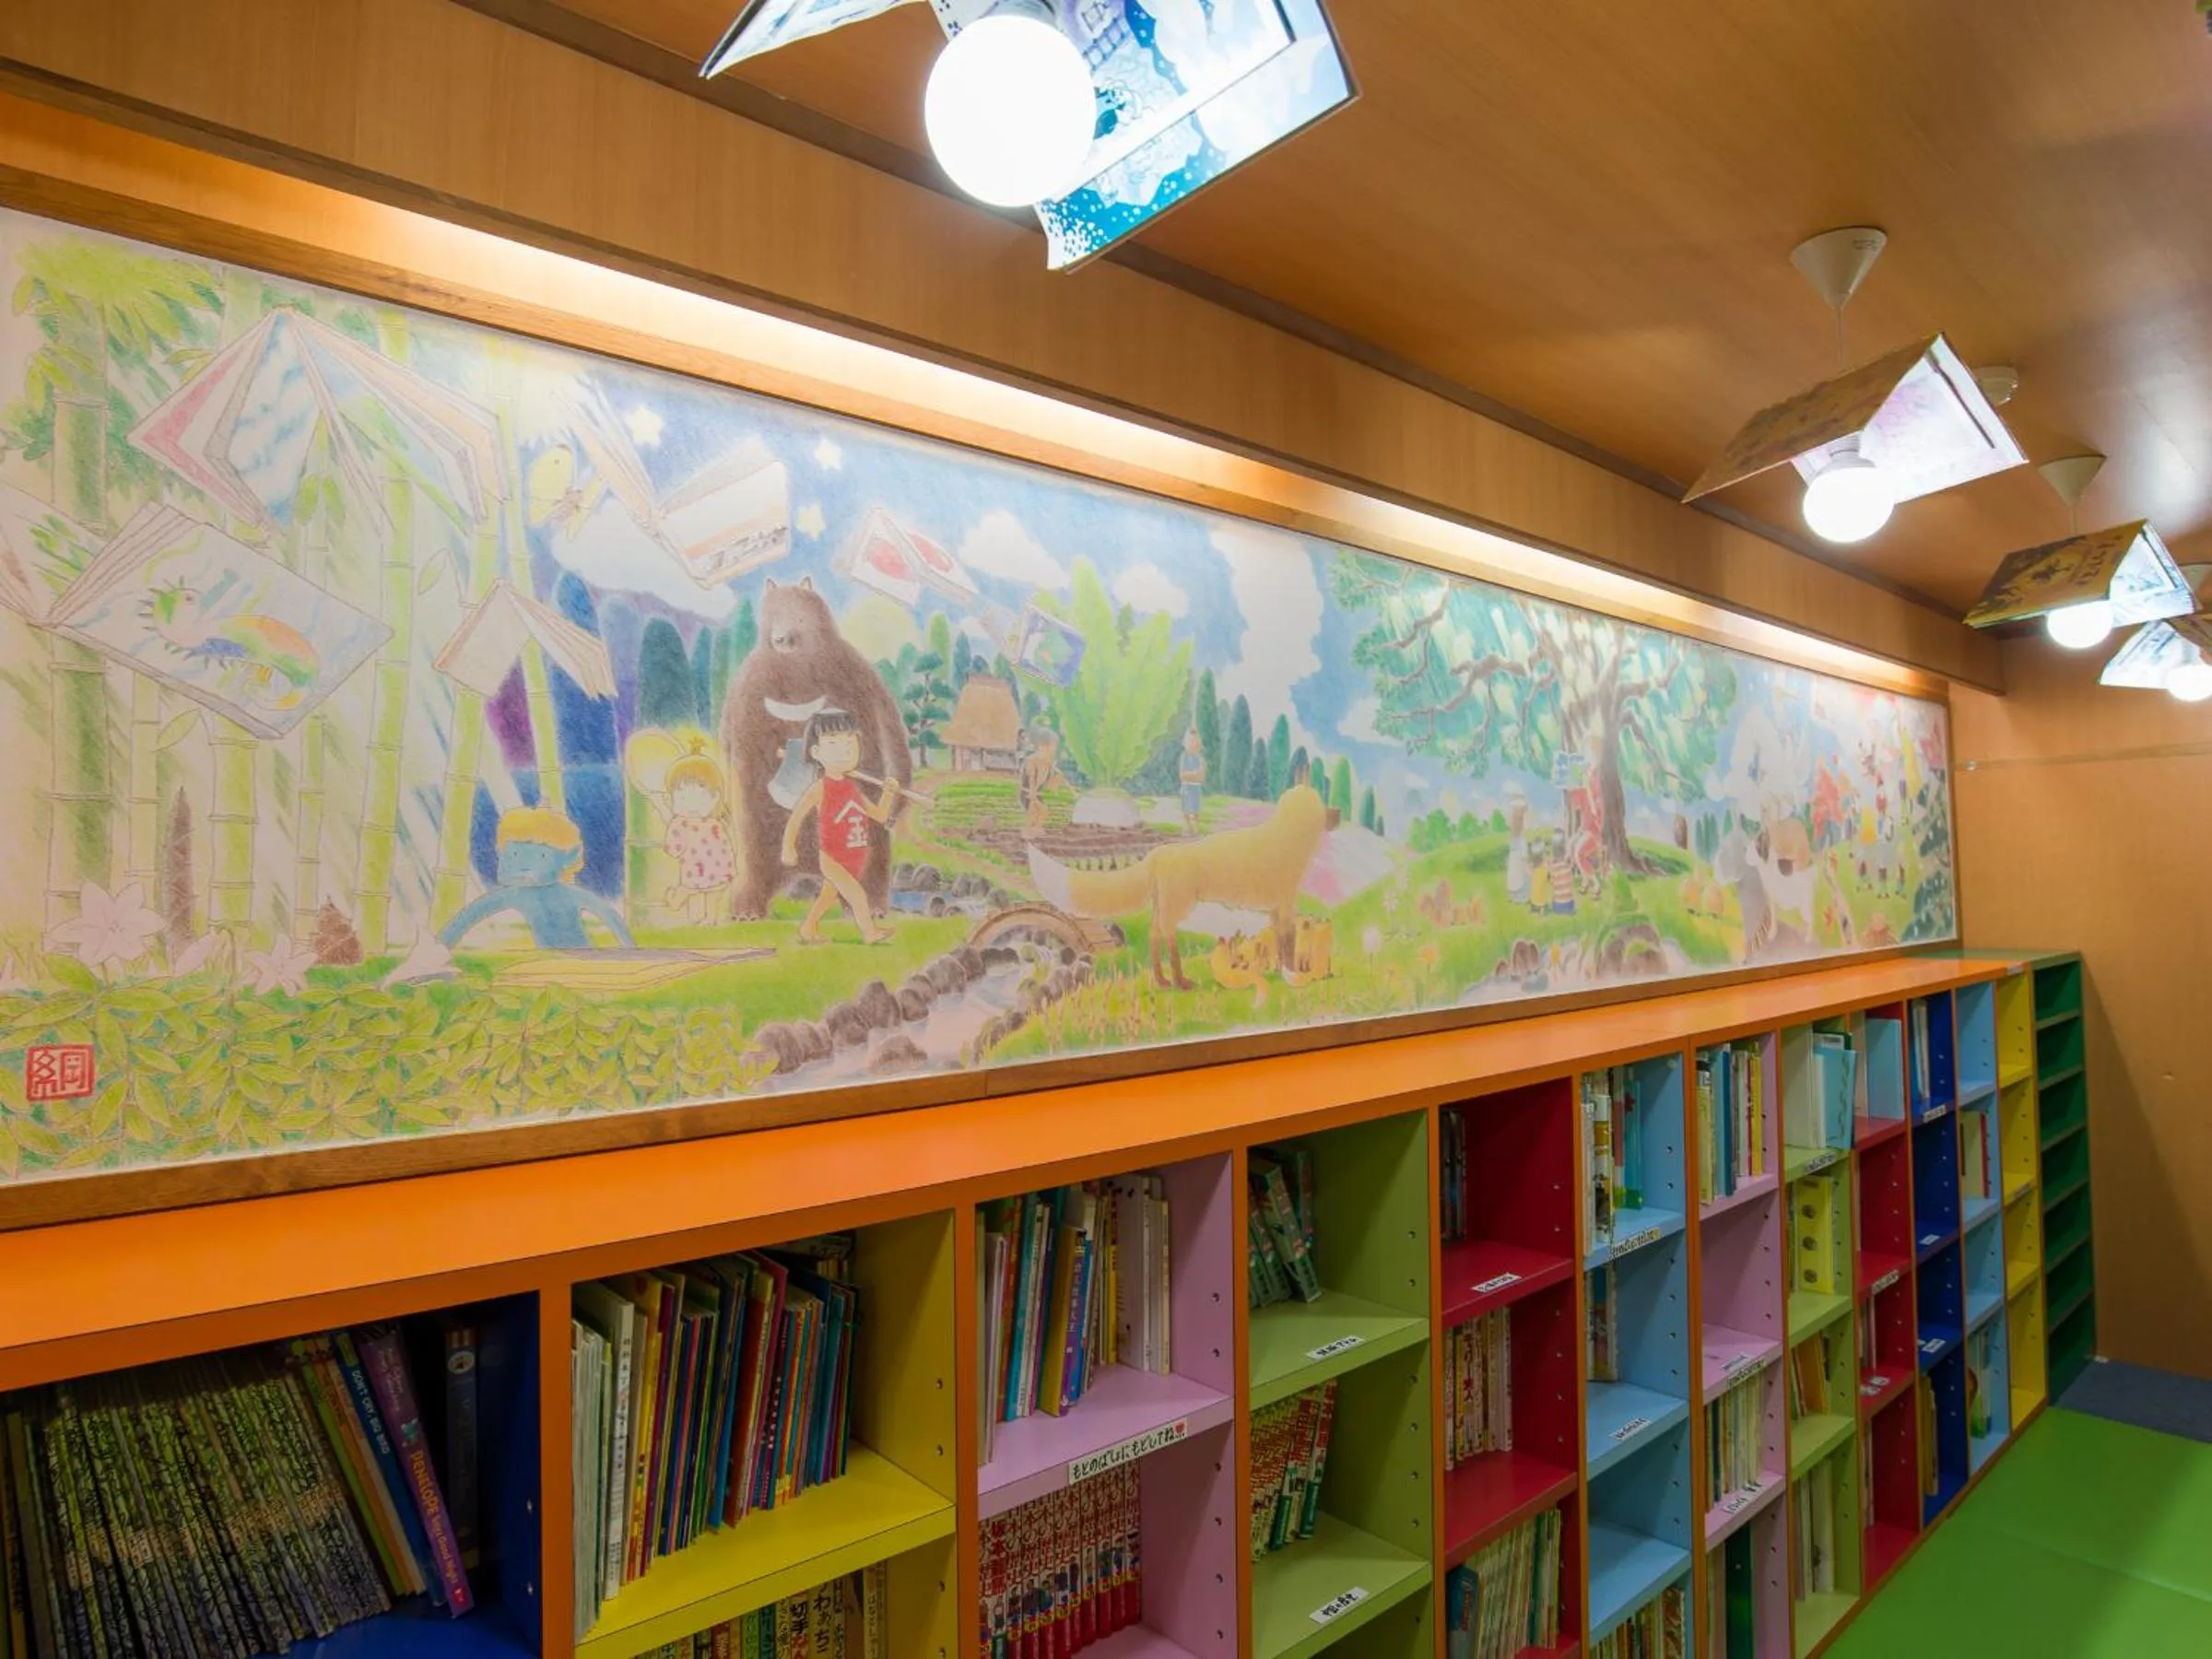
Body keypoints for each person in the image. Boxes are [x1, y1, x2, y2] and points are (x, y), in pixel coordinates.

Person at [441, 806, 634, 950]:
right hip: (547, 963)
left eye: (541, 856)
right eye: (513, 855)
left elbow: (609, 915)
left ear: (570, 856)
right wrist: (440, 948)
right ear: (500, 852)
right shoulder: (513, 895)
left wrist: (629, 950)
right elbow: (467, 917)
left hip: (584, 958)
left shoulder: (571, 895)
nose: (523, 865)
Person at [782, 710, 896, 945]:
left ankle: (808, 928)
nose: (843, 751)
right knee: (857, 895)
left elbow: (881, 815)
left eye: (849, 743)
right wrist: (788, 847)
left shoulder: (853, 789)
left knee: (827, 896)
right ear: (817, 753)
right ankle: (870, 933)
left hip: (855, 858)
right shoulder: (820, 788)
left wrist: (888, 794)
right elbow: (796, 816)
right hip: (833, 857)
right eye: (834, 744)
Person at [1178, 724, 1206, 833]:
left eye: (1195, 741)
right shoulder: (1184, 756)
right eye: (1190, 741)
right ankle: (1188, 832)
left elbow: (1201, 777)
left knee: (1194, 814)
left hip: (1195, 789)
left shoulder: (1200, 758)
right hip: (1186, 788)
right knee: (1186, 813)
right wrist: (1194, 774)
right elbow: (1182, 775)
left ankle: (1194, 834)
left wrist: (1193, 775)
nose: (1192, 744)